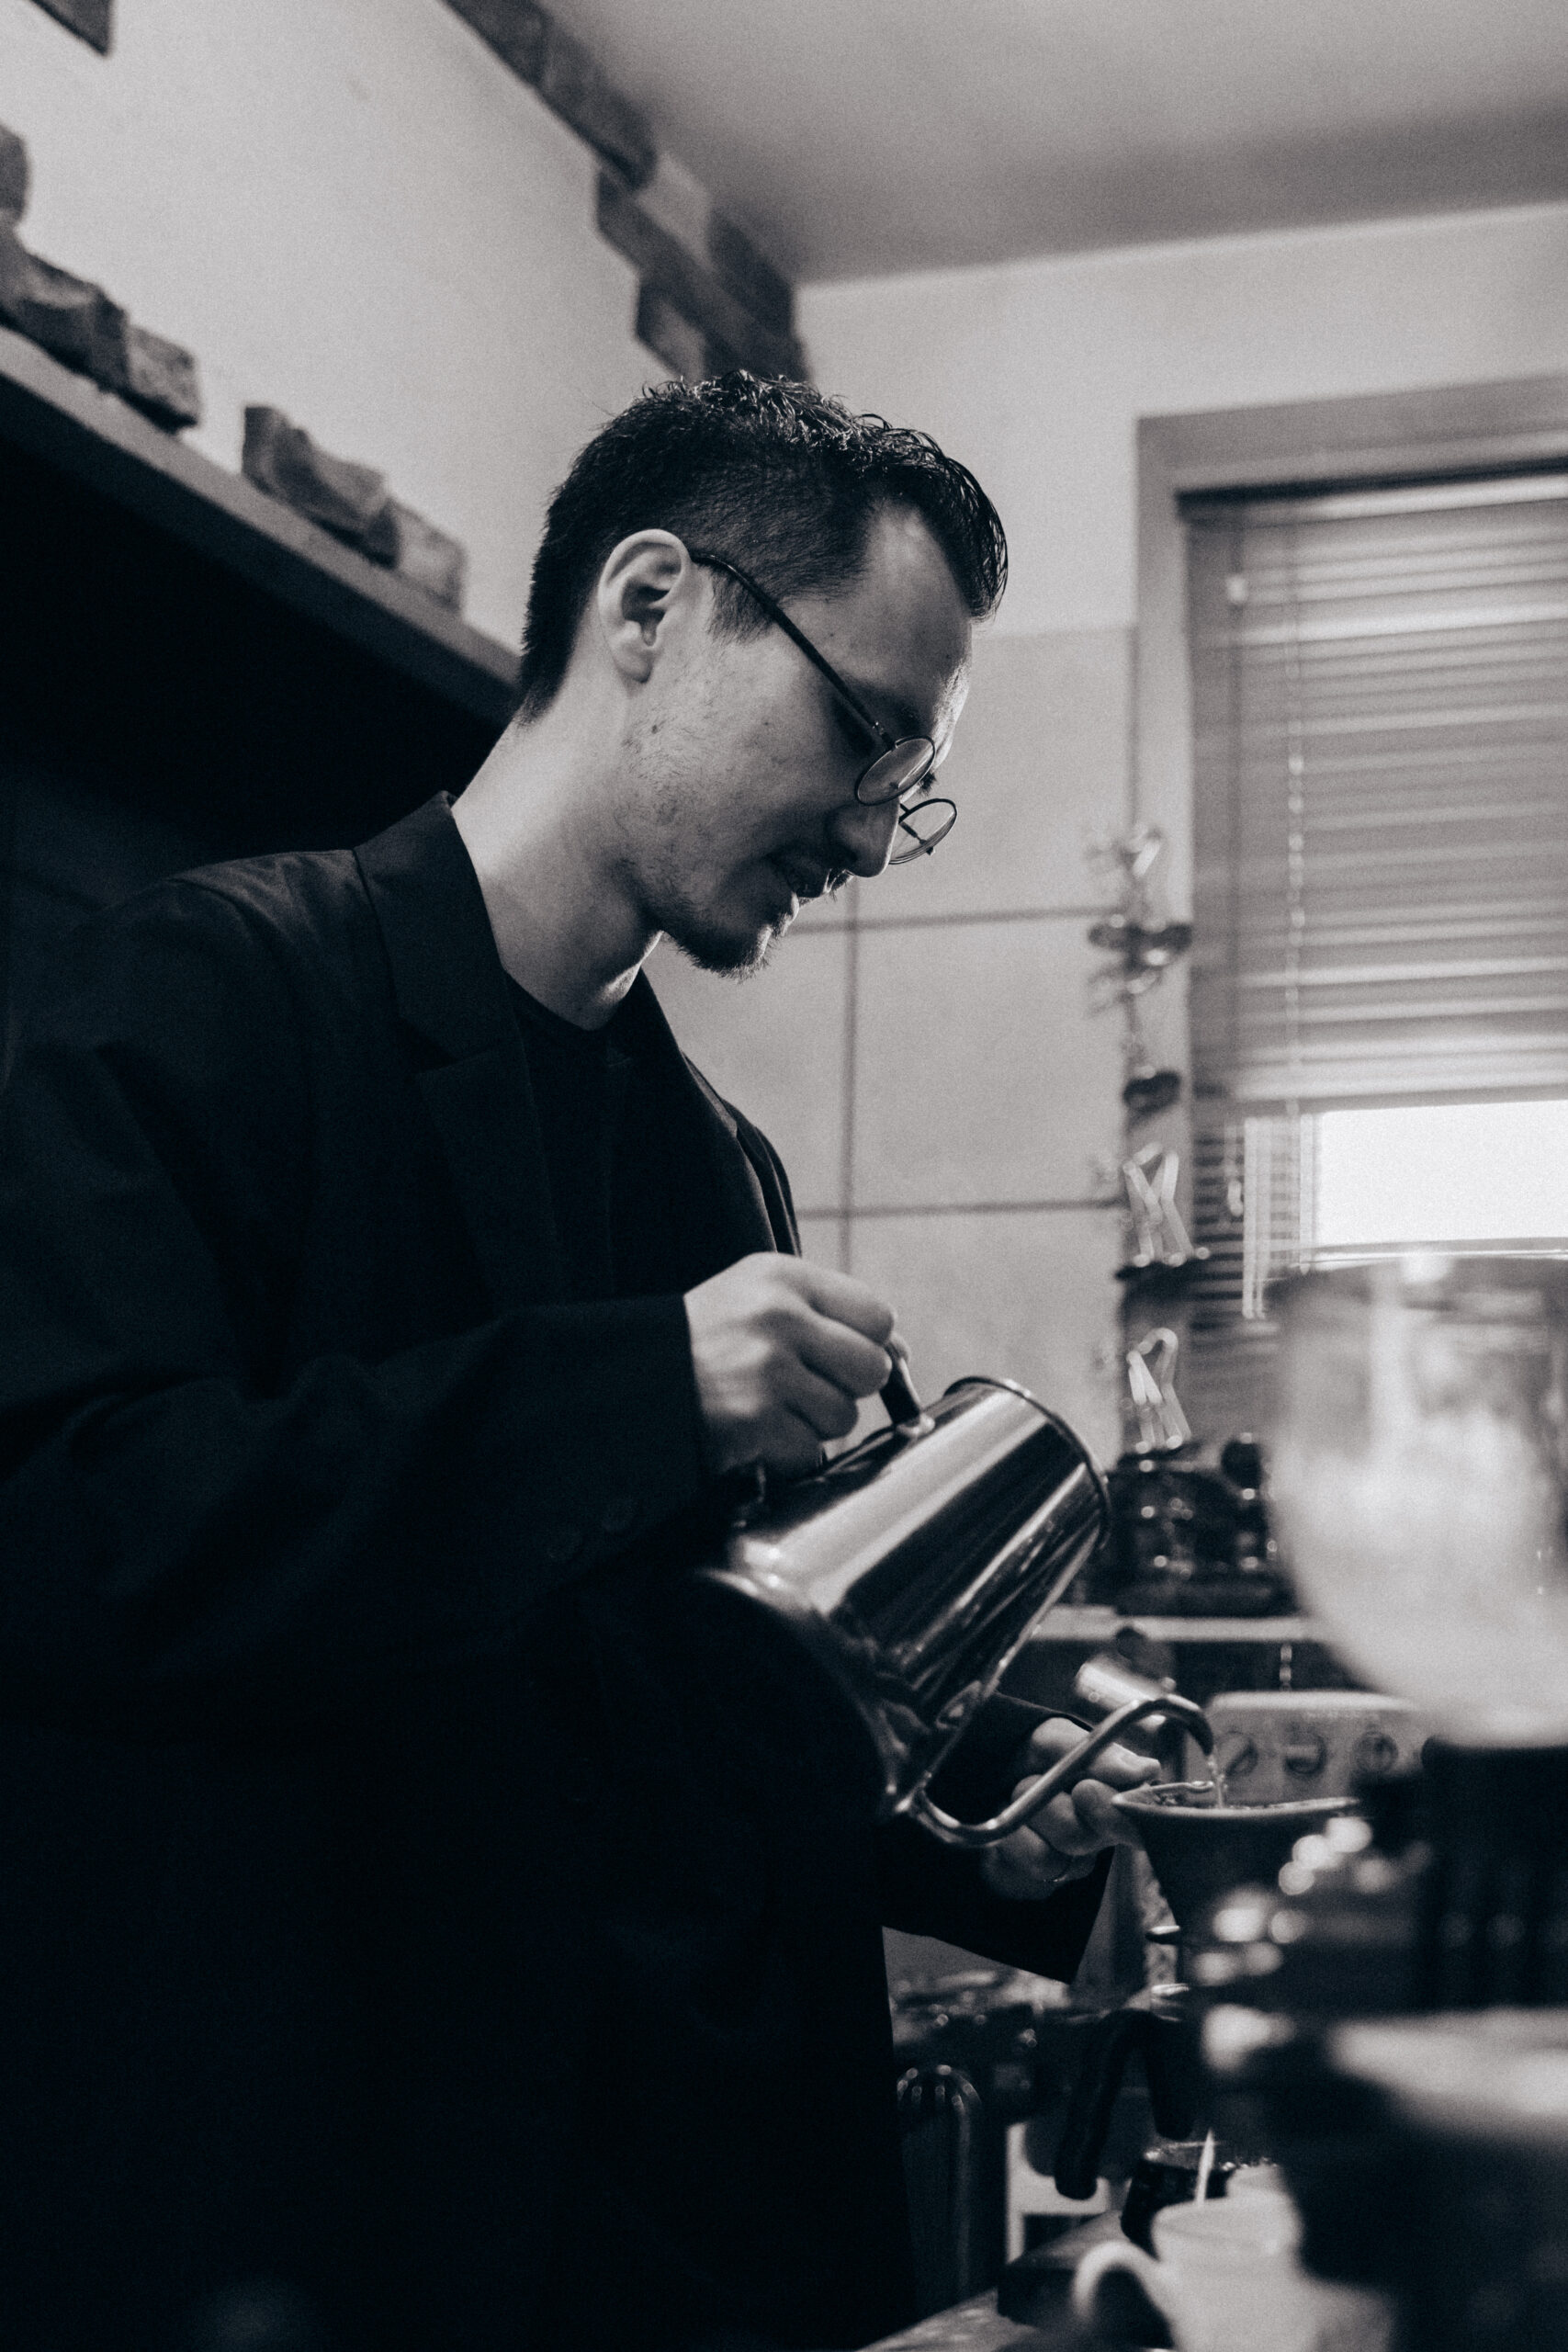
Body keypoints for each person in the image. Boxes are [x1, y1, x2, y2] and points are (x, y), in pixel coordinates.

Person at [0, 374, 1155, 2352]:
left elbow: (671, 1703)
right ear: (649, 606)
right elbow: (68, 1531)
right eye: (862, 731)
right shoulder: (215, 990)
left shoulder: (721, 1166)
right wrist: (639, 1388)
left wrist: (979, 1827)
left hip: (672, 2234)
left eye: (912, 775)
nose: (874, 831)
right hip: (324, 2210)